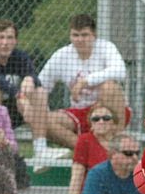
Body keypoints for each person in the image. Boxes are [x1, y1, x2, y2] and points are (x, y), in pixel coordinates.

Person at [0, 19, 68, 165]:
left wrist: (29, 79)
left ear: (16, 41)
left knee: (39, 92)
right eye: (1, 37)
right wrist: (19, 94)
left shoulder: (19, 57)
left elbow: (33, 75)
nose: (5, 42)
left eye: (10, 38)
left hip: (9, 114)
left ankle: (41, 151)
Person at [39, 14, 130, 153]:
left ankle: (117, 146)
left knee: (110, 87)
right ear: (70, 36)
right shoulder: (62, 56)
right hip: (79, 112)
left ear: (94, 35)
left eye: (85, 35)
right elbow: (41, 86)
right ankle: (92, 151)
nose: (80, 40)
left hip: (108, 110)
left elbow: (120, 71)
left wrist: (85, 81)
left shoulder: (105, 47)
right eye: (75, 35)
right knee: (44, 120)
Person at [68, 105, 123, 194]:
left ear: (114, 124)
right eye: (96, 119)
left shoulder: (122, 142)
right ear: (91, 124)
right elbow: (77, 175)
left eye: (106, 118)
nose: (101, 122)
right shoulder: (85, 140)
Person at [78, 134, 143, 194]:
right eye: (128, 153)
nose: (135, 158)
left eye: (137, 153)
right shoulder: (97, 174)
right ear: (113, 154)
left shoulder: (143, 175)